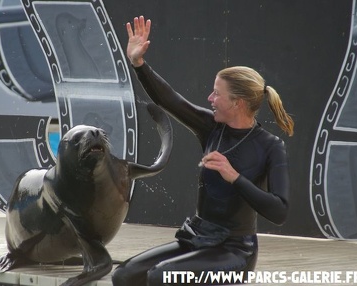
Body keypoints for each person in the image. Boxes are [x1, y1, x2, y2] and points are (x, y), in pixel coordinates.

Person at [112, 16, 294, 285]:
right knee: (125, 276)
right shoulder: (212, 128)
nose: (210, 99)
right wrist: (138, 64)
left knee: (161, 277)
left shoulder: (269, 146)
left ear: (238, 104)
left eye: (216, 94)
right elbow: (169, 99)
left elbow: (279, 211)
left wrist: (234, 177)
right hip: (196, 238)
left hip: (234, 251)